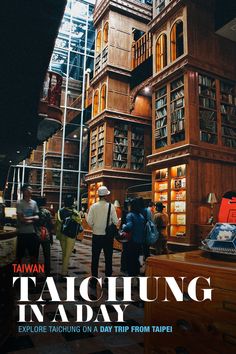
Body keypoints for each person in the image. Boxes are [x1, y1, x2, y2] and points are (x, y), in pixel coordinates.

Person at [87, 186, 118, 287]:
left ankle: (94, 279)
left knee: (95, 258)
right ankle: (108, 279)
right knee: (108, 258)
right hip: (107, 237)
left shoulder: (93, 206)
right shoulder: (111, 206)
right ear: (106, 195)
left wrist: (95, 226)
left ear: (99, 195)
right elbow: (116, 221)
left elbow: (89, 222)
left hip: (96, 235)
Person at [56, 195, 82, 278]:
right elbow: (79, 221)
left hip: (62, 234)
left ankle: (65, 270)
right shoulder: (75, 212)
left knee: (64, 253)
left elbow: (59, 221)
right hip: (71, 235)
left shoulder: (60, 211)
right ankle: (64, 272)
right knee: (67, 254)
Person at [122, 198, 145, 276]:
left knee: (131, 258)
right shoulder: (141, 216)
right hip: (140, 240)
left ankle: (131, 276)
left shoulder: (130, 215)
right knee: (136, 258)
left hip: (132, 240)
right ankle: (137, 273)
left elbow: (129, 227)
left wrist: (123, 226)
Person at [16, 184, 39, 264]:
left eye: (31, 189)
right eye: (28, 189)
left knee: (33, 255)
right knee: (20, 255)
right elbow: (21, 219)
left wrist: (27, 219)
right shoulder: (19, 203)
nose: (30, 191)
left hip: (32, 233)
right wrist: (32, 218)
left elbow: (37, 218)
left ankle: (34, 273)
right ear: (24, 192)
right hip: (22, 233)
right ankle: (18, 273)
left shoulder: (34, 203)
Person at [35, 197, 53, 276]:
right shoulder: (47, 212)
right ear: (44, 203)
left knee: (35, 255)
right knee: (47, 255)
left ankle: (35, 272)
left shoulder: (34, 212)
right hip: (45, 235)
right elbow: (50, 225)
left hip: (35, 235)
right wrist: (51, 237)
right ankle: (47, 272)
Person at [120, 199, 131, 275]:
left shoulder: (124, 212)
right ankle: (125, 267)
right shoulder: (128, 213)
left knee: (125, 251)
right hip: (127, 233)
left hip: (125, 233)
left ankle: (124, 267)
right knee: (126, 251)